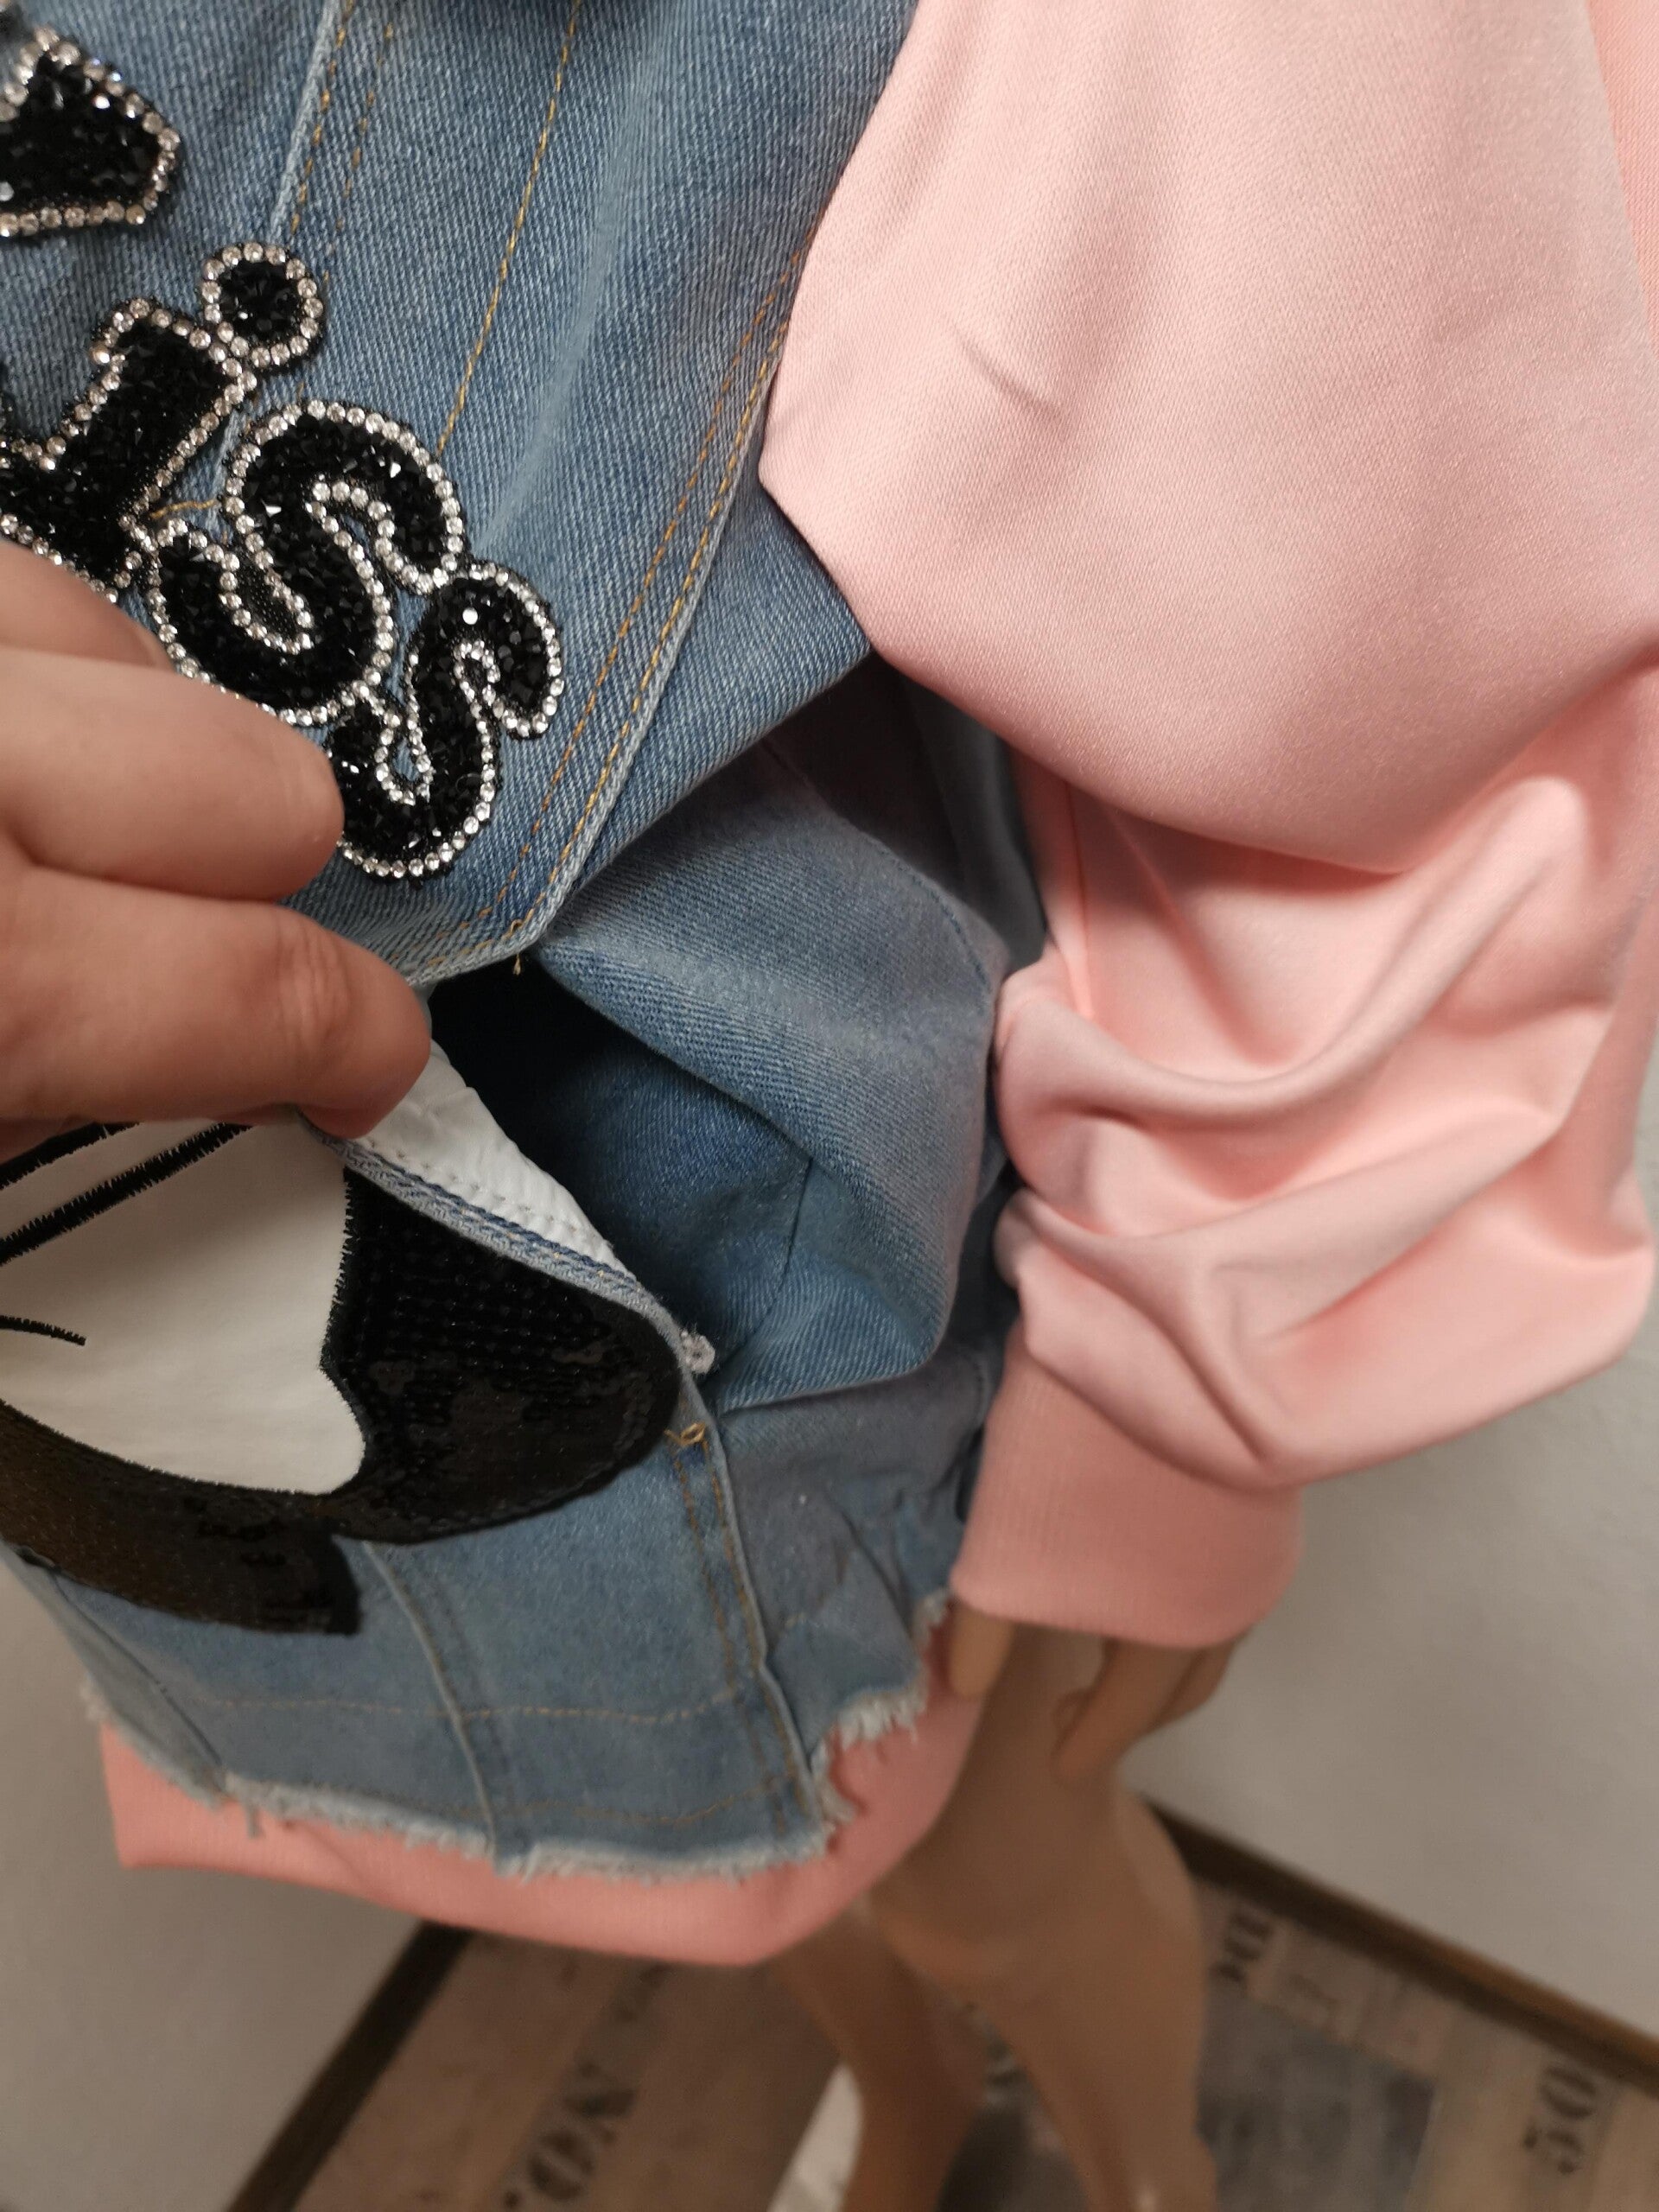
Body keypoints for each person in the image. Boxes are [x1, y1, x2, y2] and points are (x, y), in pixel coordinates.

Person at [5, 5, 1659, 2205]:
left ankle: (1146, 2173)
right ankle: (912, 2096)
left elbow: (1370, 554)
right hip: (158, 1374)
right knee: (770, 1886)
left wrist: (1192, 1377)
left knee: (988, 1874)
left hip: (824, 1320)